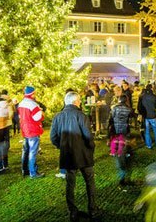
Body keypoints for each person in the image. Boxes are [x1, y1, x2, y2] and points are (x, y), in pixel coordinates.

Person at [50, 91, 99, 222]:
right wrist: (91, 147)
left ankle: (72, 211)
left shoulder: (57, 116)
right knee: (89, 182)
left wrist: (62, 146)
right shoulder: (81, 115)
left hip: (68, 155)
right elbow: (88, 136)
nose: (80, 103)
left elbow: (53, 138)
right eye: (79, 101)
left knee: (70, 184)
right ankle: (92, 209)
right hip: (84, 155)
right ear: (75, 102)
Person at [18, 85, 45, 178]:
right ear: (32, 94)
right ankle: (33, 172)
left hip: (25, 129)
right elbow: (38, 117)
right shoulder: (33, 104)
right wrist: (41, 113)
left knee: (25, 150)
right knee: (33, 151)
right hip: (33, 129)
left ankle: (24, 169)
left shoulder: (21, 103)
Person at [109, 95, 133, 186]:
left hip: (115, 132)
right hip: (124, 132)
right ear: (126, 100)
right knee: (124, 151)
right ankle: (123, 175)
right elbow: (132, 116)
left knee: (118, 153)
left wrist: (109, 136)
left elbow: (110, 121)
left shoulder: (114, 108)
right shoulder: (128, 109)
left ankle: (121, 173)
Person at [139, 84, 156, 149]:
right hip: (152, 115)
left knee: (147, 131)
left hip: (145, 116)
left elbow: (139, 107)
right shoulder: (153, 96)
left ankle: (149, 145)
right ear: (151, 88)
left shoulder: (141, 96)